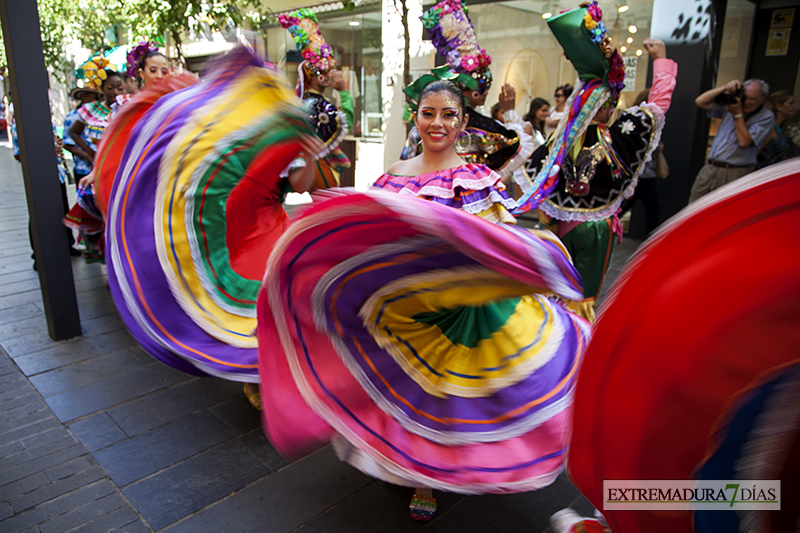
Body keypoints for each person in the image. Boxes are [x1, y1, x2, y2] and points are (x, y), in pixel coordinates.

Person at [258, 78, 589, 523]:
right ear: (415, 117)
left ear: (463, 121)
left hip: (468, 315)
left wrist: (532, 266)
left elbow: (502, 244)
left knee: (454, 400)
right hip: (410, 313)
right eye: (428, 113)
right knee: (415, 397)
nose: (437, 123)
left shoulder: (479, 179)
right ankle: (421, 477)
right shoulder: (393, 175)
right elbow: (366, 241)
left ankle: (439, 472)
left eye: (448, 114)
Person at [514, 3, 677, 321]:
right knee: (583, 297)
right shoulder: (621, 135)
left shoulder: (558, 141)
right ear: (607, 106)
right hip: (594, 231)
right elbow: (657, 106)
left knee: (555, 292)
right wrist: (661, 62)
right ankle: (577, 348)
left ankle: (553, 342)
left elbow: (534, 179)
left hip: (558, 229)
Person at [405, 0, 534, 196]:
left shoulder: (425, 125)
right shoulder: (477, 124)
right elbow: (514, 144)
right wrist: (509, 112)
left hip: (427, 196)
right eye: (483, 88)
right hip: (465, 201)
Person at [279, 9, 353, 186]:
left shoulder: (310, 102)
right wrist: (343, 91)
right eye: (324, 71)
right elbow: (346, 122)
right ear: (312, 75)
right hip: (319, 169)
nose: (329, 75)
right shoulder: (315, 105)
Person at [688, 78, 774, 202]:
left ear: (763, 99)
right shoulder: (730, 107)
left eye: (753, 99)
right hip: (711, 168)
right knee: (694, 207)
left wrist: (738, 114)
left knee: (725, 211)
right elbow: (701, 101)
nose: (747, 102)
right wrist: (725, 88)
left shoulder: (765, 116)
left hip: (735, 171)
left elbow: (744, 141)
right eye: (745, 97)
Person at [618, 88, 663, 236]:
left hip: (643, 174)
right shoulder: (637, 121)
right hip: (636, 174)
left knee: (651, 208)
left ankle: (652, 238)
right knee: (626, 206)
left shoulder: (650, 123)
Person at [757, 90, 800, 168]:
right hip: (763, 170)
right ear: (779, 106)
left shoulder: (781, 128)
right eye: (791, 103)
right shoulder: (770, 128)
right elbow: (755, 152)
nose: (795, 106)